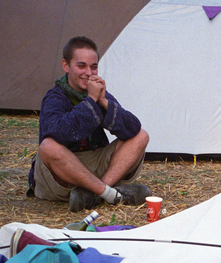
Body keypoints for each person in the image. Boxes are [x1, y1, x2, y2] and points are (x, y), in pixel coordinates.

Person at [28, 36, 152, 212]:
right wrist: (91, 101)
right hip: (64, 174)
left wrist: (104, 102)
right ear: (66, 66)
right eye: (81, 66)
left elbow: (133, 128)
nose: (89, 72)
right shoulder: (54, 97)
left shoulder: (99, 93)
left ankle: (98, 193)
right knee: (48, 147)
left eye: (93, 67)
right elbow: (59, 133)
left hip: (95, 166)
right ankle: (109, 193)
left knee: (141, 135)